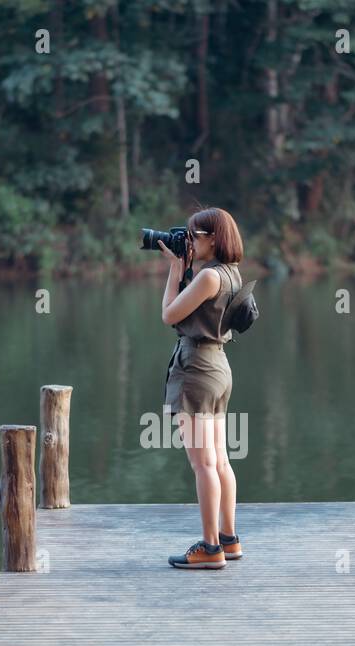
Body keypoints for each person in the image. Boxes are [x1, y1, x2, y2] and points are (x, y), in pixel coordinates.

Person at [156, 206, 245, 570]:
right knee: (220, 459)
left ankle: (210, 548)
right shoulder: (231, 274)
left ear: (213, 238)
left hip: (196, 369)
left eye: (194, 235)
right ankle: (228, 538)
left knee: (203, 463)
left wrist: (177, 269)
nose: (189, 241)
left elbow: (169, 314)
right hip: (218, 367)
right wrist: (184, 266)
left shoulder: (208, 278)